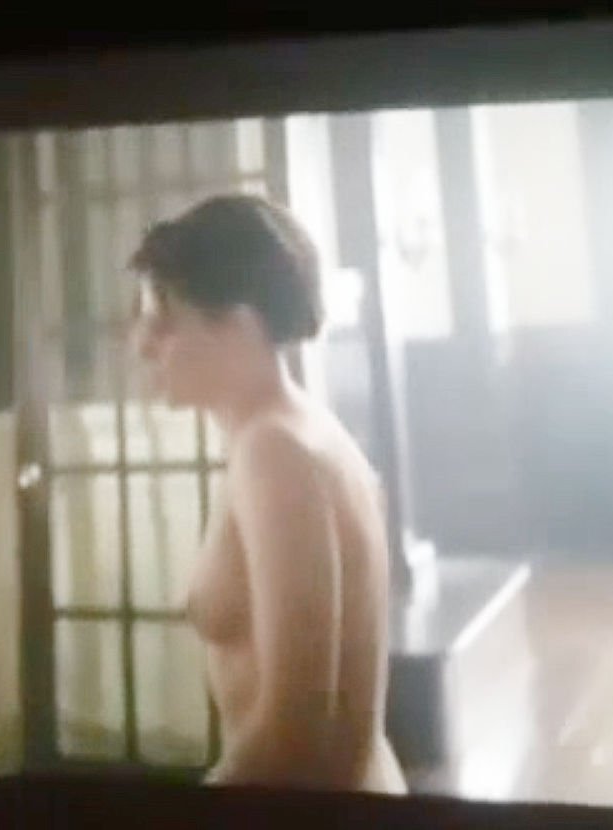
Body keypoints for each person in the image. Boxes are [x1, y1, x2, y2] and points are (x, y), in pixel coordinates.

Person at [128, 193, 407, 794]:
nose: (143, 344)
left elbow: (293, 738)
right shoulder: (290, 431)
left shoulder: (274, 452)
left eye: (164, 317)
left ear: (240, 322)